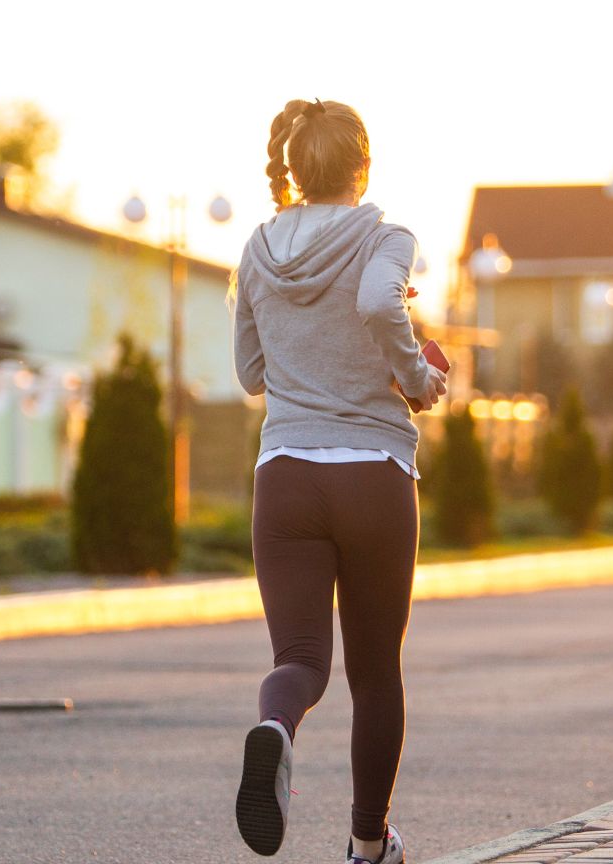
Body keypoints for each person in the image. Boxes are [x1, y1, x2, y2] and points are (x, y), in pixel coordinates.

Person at [230, 98, 447, 864]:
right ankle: (367, 844)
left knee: (300, 660)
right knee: (376, 671)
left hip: (285, 476)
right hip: (372, 476)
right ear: (364, 165)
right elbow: (376, 300)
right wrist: (415, 374)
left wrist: (304, 350)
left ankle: (276, 728)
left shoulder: (257, 248)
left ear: (293, 170)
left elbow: (251, 373)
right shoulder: (387, 236)